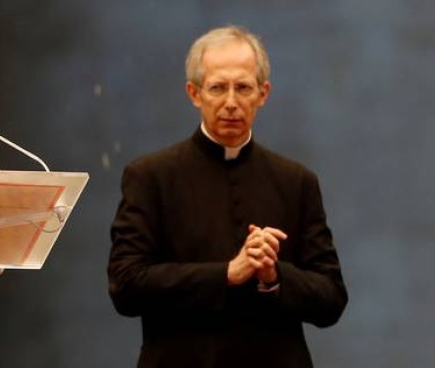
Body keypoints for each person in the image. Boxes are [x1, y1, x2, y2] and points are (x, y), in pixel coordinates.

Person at [107, 26, 347, 367]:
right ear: (194, 93)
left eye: (244, 88)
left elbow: (332, 299)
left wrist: (274, 275)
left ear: (263, 94)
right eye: (218, 88)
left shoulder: (296, 181)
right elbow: (126, 286)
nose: (231, 102)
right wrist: (227, 274)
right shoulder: (151, 177)